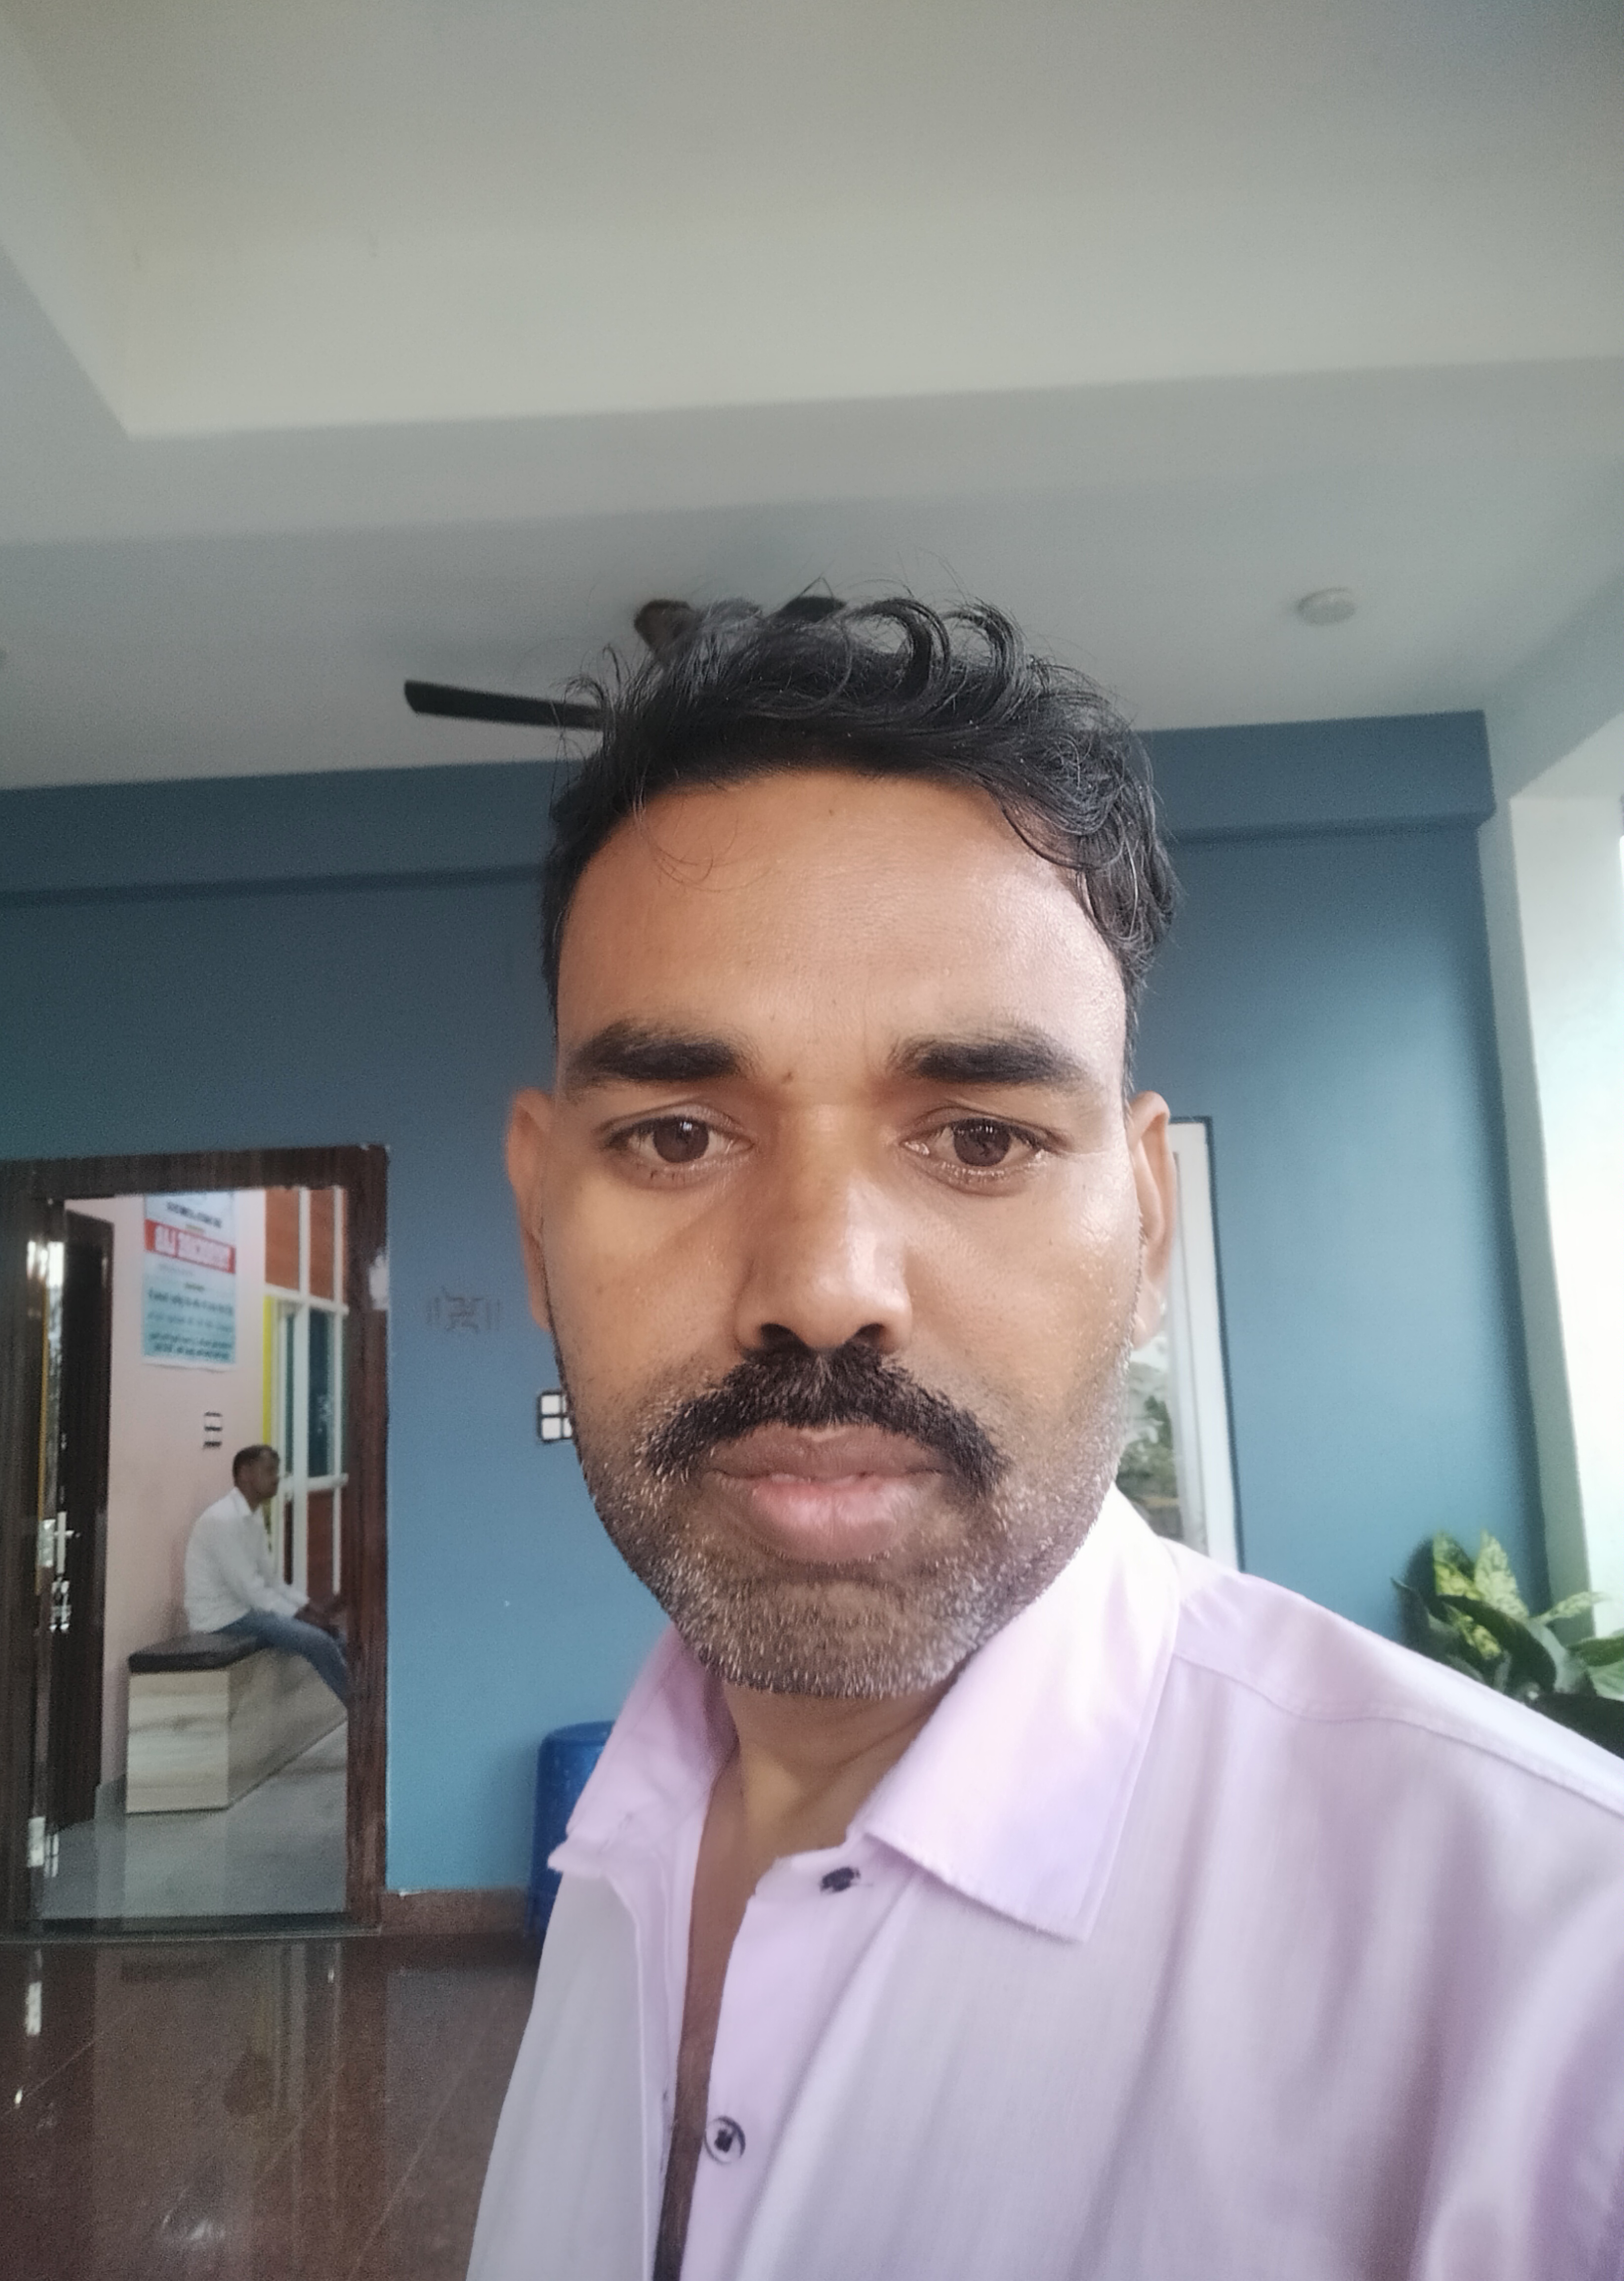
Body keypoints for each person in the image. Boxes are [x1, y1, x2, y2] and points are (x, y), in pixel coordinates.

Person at [470, 600, 1624, 2281]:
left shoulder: (1557, 1986)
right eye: (674, 1135)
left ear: (1143, 1223)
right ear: (533, 1222)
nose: (821, 1288)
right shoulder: (616, 1853)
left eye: (979, 1138)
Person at [183, 1444, 349, 1702]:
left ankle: (369, 1701)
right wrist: (300, 1616)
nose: (277, 1478)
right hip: (222, 1619)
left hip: (248, 1611)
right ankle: (360, 1710)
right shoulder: (222, 1520)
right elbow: (251, 1590)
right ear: (246, 1474)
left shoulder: (254, 1515)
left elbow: (271, 1581)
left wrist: (309, 1607)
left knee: (337, 1636)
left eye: (277, 1471)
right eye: (270, 1471)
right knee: (318, 1642)